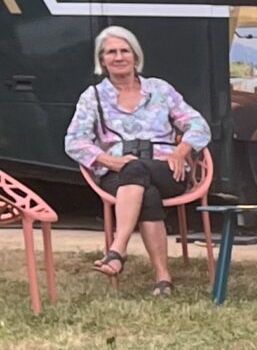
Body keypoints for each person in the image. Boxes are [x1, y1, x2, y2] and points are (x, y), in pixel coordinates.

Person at [65, 26, 210, 294]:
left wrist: (181, 151)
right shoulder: (92, 97)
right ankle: (163, 278)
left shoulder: (160, 89)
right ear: (102, 60)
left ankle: (117, 249)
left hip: (167, 169)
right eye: (111, 52)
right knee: (146, 190)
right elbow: (74, 141)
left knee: (137, 168)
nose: (118, 57)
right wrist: (108, 161)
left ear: (135, 56)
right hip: (117, 173)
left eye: (124, 50)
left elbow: (199, 125)